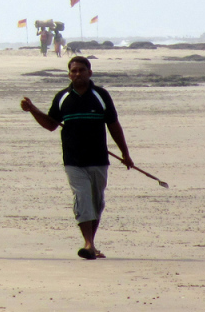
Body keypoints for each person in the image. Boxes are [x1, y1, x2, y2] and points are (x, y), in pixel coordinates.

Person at [20, 55, 133, 259]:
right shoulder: (63, 97)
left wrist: (125, 154)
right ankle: (88, 243)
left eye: (81, 70)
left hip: (98, 159)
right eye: (74, 71)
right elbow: (50, 124)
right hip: (73, 160)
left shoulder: (101, 96)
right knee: (82, 199)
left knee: (96, 202)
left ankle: (91, 243)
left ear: (90, 73)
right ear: (69, 74)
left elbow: (114, 125)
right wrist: (33, 110)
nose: (77, 74)